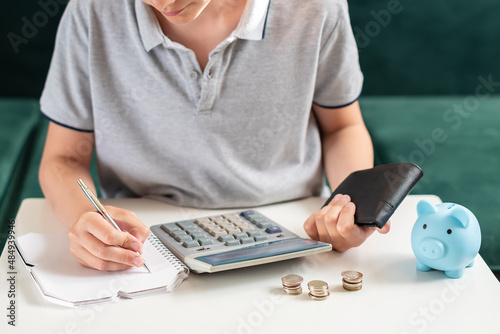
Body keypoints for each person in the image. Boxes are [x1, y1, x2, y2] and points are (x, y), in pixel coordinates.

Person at [39, 0, 390, 271]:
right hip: (147, 237)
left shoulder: (315, 8)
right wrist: (87, 218)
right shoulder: (92, 12)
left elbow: (342, 127)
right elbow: (63, 158)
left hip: (292, 228)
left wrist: (351, 207)